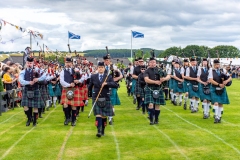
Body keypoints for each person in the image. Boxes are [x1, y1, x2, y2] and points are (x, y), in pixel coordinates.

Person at [88, 62, 118, 137]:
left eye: (102, 67)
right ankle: (99, 131)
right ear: (97, 68)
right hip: (96, 97)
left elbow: (115, 85)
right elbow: (90, 86)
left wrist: (107, 83)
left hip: (106, 97)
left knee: (104, 116)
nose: (100, 69)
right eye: (99, 67)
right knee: (98, 115)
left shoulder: (108, 76)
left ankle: (103, 130)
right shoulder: (93, 76)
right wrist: (89, 95)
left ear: (104, 68)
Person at [19, 56, 47, 126]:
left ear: (33, 63)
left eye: (30, 63)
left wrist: (38, 79)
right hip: (27, 89)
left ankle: (34, 121)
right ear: (26, 63)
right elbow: (21, 80)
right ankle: (29, 119)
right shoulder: (23, 71)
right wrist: (28, 82)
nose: (29, 64)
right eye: (28, 63)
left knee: (35, 107)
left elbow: (44, 75)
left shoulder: (37, 70)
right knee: (25, 106)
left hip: (35, 89)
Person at [144, 57, 170, 125]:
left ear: (156, 63)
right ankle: (151, 119)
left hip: (158, 89)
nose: (152, 64)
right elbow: (146, 80)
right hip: (149, 88)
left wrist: (164, 79)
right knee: (150, 104)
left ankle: (156, 119)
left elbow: (168, 76)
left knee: (157, 105)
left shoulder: (160, 70)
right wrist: (155, 82)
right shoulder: (147, 71)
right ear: (149, 63)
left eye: (154, 62)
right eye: (151, 62)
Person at [60, 57, 85, 126]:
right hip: (66, 89)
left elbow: (83, 76)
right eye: (66, 63)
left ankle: (73, 120)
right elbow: (61, 81)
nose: (68, 64)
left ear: (71, 63)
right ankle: (67, 118)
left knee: (74, 106)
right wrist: (69, 84)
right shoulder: (63, 71)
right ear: (65, 63)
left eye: (69, 63)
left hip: (74, 89)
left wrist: (78, 81)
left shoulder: (76, 70)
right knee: (65, 104)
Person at [208, 59, 231, 123]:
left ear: (219, 64)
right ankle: (216, 116)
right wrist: (219, 84)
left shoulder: (223, 70)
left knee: (221, 103)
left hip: (222, 89)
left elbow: (230, 77)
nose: (217, 66)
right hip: (214, 88)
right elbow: (211, 80)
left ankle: (219, 116)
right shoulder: (211, 71)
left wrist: (226, 81)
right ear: (213, 65)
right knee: (216, 103)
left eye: (218, 64)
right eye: (215, 65)